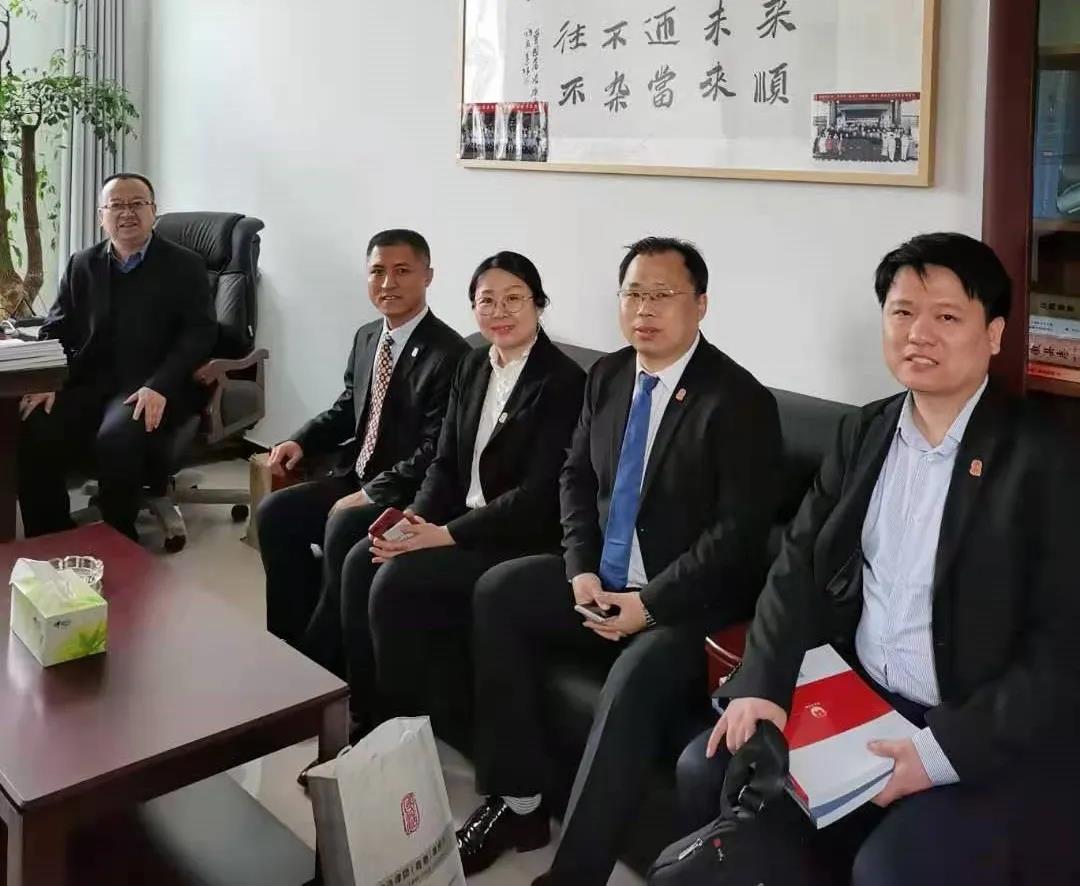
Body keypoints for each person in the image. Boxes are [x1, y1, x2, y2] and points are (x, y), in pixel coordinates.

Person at [677, 232, 1080, 886]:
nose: (919, 333)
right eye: (902, 312)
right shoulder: (864, 431)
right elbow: (797, 567)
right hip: (860, 696)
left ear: (994, 334)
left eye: (946, 316)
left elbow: (1062, 647)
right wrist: (763, 683)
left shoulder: (1045, 460)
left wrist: (942, 751)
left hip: (975, 723)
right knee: (707, 765)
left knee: (891, 869)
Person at [456, 237, 783, 884]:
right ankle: (519, 802)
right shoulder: (607, 377)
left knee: (632, 678)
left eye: (663, 295)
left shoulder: (738, 401)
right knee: (500, 592)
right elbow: (575, 479)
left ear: (701, 305)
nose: (644, 309)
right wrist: (579, 568)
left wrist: (648, 606)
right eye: (633, 293)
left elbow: (736, 538)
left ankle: (574, 875)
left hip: (685, 605)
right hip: (601, 579)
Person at [308, 251, 585, 743]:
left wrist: (443, 535)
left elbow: (537, 495)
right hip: (455, 518)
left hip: (512, 537)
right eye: (486, 301)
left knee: (394, 579)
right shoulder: (473, 363)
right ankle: (363, 717)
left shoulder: (563, 382)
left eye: (514, 299)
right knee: (360, 559)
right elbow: (444, 463)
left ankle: (401, 737)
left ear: (538, 304)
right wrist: (414, 519)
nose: (499, 312)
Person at [256, 229, 469, 652]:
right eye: (377, 271)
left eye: (402, 271)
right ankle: (285, 639)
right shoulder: (368, 336)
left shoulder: (451, 354)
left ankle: (324, 652)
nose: (388, 283)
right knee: (275, 513)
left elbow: (436, 449)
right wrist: (302, 441)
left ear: (428, 276)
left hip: (406, 492)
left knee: (341, 525)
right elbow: (347, 407)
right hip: (356, 473)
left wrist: (371, 492)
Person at [18, 173, 215, 541]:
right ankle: (50, 539)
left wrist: (160, 386)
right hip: (91, 383)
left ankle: (117, 542)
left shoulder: (184, 265)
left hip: (152, 385)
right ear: (101, 216)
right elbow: (56, 328)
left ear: (153, 211)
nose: (127, 213)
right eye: (117, 205)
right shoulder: (83, 264)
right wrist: (48, 380)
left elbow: (200, 334)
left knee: (117, 438)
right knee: (34, 426)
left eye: (137, 203)